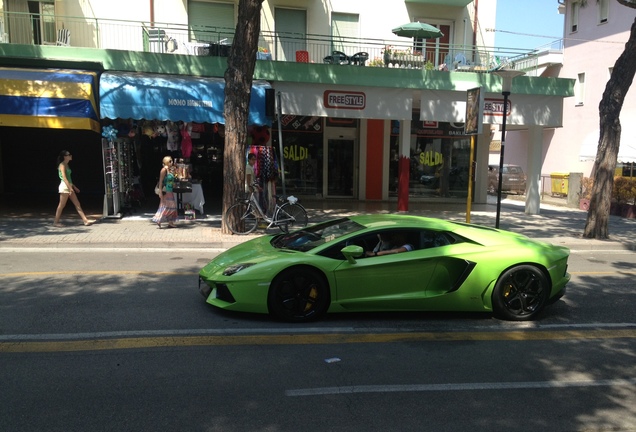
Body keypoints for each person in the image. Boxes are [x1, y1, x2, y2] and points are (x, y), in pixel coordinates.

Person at [53, 150, 96, 228]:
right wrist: (70, 188)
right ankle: (56, 222)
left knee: (77, 204)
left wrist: (74, 187)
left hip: (69, 186)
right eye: (69, 155)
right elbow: (64, 178)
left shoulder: (67, 165)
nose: (70, 156)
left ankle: (85, 220)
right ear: (65, 157)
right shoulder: (62, 165)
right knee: (62, 205)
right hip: (64, 186)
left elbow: (69, 179)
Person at [151, 156, 178, 229]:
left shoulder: (170, 169)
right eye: (170, 161)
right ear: (166, 162)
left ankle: (170, 222)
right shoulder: (163, 170)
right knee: (167, 206)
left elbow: (172, 179)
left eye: (171, 161)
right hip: (165, 191)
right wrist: (160, 192)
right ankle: (159, 219)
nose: (171, 162)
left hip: (170, 190)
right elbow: (160, 181)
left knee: (170, 206)